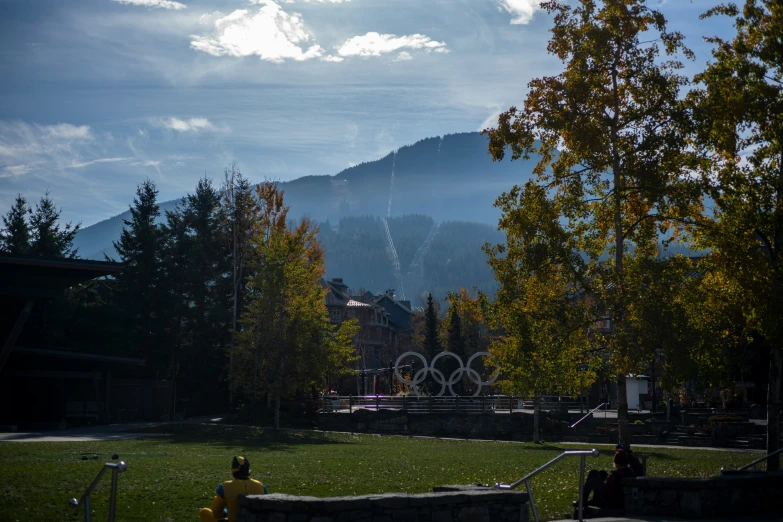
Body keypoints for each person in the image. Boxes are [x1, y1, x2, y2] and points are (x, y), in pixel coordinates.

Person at [199, 456, 267, 522]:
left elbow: (216, 513)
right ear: (248, 471)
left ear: (233, 471)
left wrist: (226, 512)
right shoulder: (261, 486)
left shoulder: (224, 487)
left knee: (204, 512)